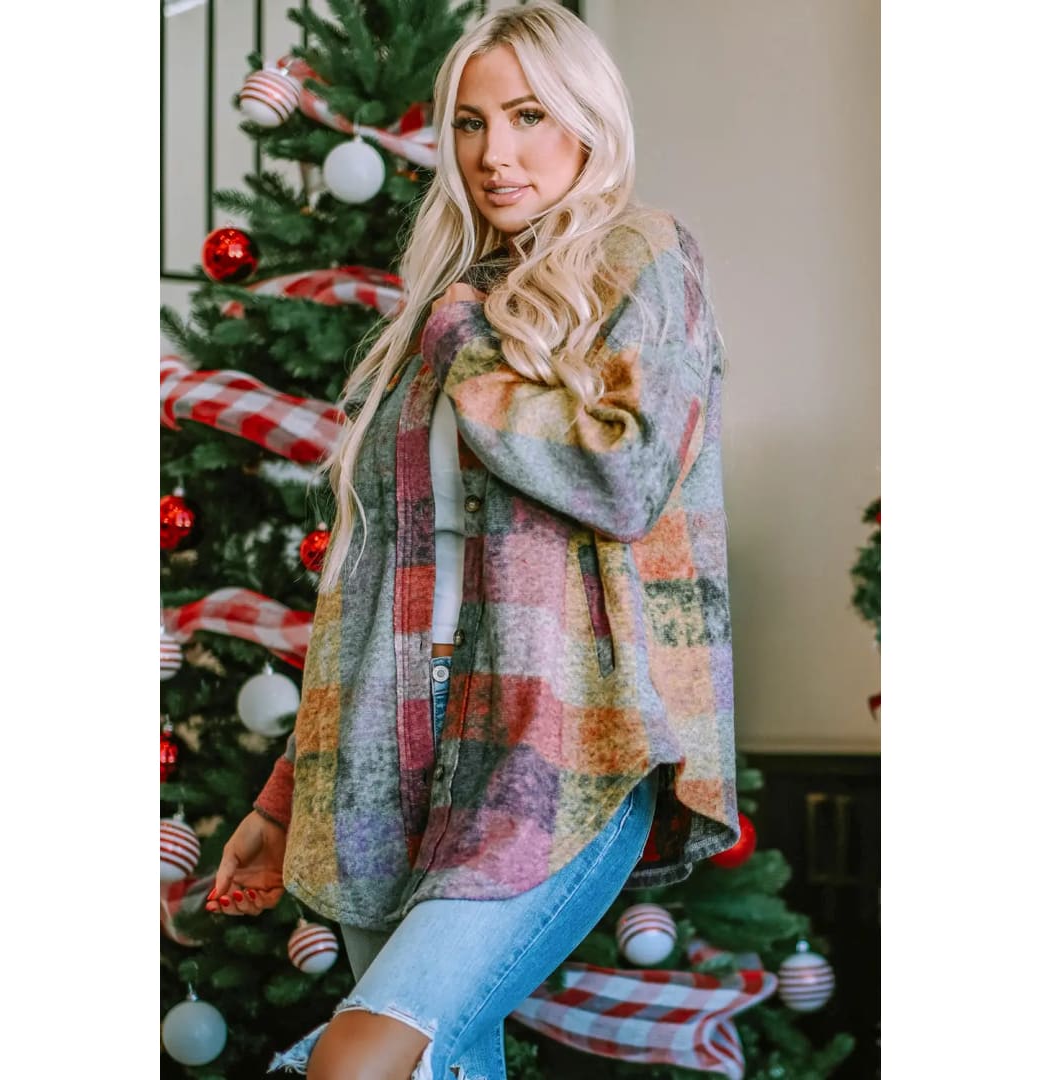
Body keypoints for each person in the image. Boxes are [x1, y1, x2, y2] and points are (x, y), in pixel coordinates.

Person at [205, 3, 738, 1078]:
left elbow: (625, 477)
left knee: (360, 1059)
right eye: (470, 122)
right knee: (439, 1064)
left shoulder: (638, 257)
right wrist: (282, 795)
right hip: (383, 745)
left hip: (563, 736)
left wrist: (466, 345)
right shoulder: (442, 308)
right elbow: (367, 584)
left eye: (529, 115)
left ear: (588, 123)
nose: (496, 154)